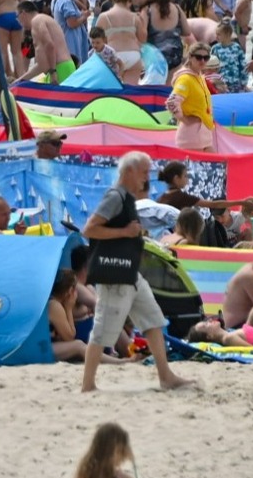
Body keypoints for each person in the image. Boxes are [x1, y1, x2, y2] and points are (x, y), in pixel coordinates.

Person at [80, 152, 196, 395]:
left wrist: (130, 234)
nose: (147, 177)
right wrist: (124, 232)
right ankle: (87, 384)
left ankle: (166, 376)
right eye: (144, 172)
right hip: (115, 273)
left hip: (129, 272)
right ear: (129, 171)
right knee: (102, 329)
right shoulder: (115, 197)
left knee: (153, 320)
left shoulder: (125, 198)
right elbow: (89, 229)